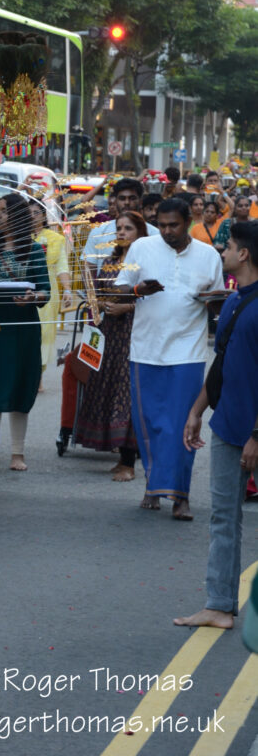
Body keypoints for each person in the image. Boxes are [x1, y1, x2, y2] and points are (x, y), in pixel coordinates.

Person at [115, 197, 225, 520]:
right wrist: (138, 292)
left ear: (188, 220)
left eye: (173, 225)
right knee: (149, 423)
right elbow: (119, 289)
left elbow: (216, 302)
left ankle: (181, 495)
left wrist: (213, 300)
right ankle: (153, 484)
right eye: (161, 225)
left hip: (186, 352)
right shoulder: (141, 248)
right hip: (145, 350)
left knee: (182, 424)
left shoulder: (208, 256)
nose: (166, 231)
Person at [174, 222, 258, 630]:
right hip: (227, 424)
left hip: (252, 430)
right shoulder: (233, 302)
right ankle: (219, 604)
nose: (222, 251)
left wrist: (256, 435)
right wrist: (197, 411)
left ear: (244, 255)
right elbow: (222, 363)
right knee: (224, 517)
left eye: (229, 247)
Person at [0, 192, 50, 474]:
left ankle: (18, 453)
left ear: (18, 216)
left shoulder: (34, 251)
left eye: (4, 211)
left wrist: (33, 296)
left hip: (24, 329)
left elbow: (46, 291)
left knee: (20, 388)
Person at [74, 212, 148, 481]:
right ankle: (121, 457)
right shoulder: (109, 261)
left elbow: (154, 298)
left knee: (126, 395)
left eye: (128, 228)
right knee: (107, 391)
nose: (122, 232)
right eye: (119, 228)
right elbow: (95, 297)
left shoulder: (146, 262)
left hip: (136, 332)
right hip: (109, 334)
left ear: (140, 232)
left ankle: (129, 462)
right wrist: (103, 306)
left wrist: (126, 306)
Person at [26, 196, 72, 373]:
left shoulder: (55, 239)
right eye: (28, 213)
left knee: (45, 332)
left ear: (44, 216)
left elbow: (62, 266)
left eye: (36, 213)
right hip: (25, 287)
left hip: (48, 290)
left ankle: (39, 372)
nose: (33, 217)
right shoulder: (19, 237)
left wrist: (67, 290)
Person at [81, 178, 158, 277]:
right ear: (115, 201)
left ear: (140, 201)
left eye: (132, 198)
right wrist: (91, 292)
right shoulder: (99, 232)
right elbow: (88, 270)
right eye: (122, 198)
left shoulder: (154, 234)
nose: (126, 202)